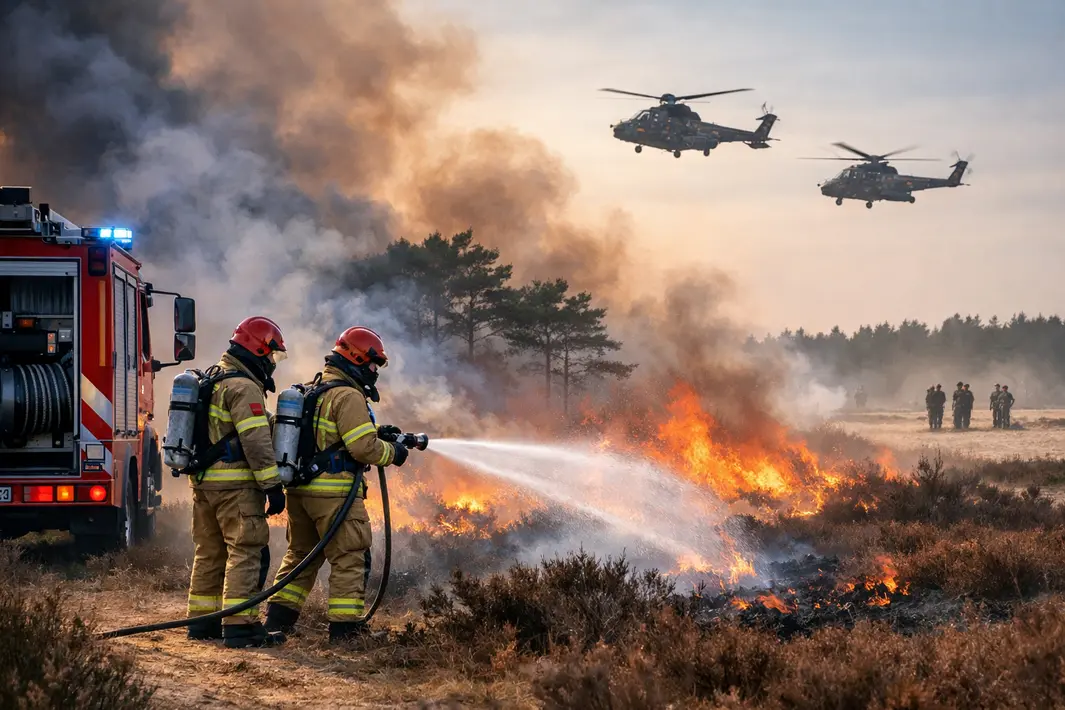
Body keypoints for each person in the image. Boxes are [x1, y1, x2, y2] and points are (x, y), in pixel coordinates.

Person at [264, 326, 410, 643]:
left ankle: (278, 621)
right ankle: (346, 631)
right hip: (335, 493)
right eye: (373, 364)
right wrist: (394, 453)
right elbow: (362, 448)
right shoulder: (348, 395)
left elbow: (330, 436)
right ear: (357, 359)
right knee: (349, 556)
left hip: (300, 492)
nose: (374, 372)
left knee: (301, 556)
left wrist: (378, 432)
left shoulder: (312, 390)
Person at [186, 316, 289, 648]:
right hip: (236, 488)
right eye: (271, 355)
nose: (272, 364)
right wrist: (273, 486)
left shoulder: (213, 378)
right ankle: (241, 626)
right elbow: (256, 442)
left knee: (209, 553)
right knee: (246, 551)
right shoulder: (243, 387)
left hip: (204, 486)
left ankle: (202, 624)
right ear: (258, 350)